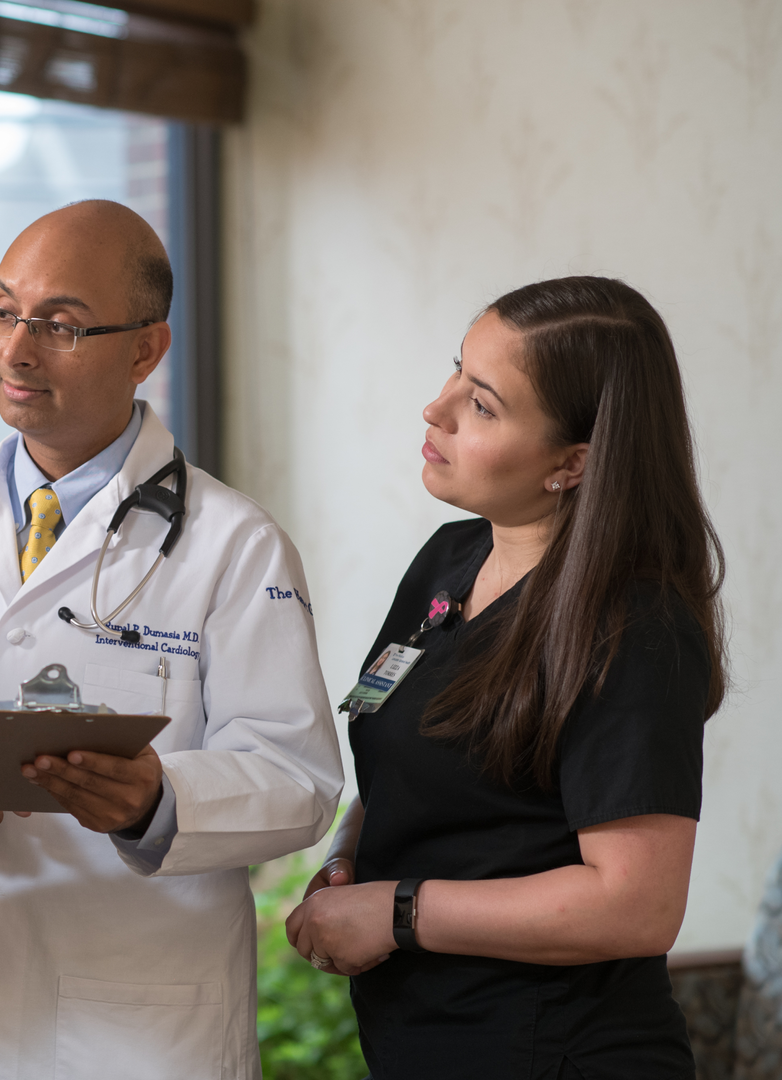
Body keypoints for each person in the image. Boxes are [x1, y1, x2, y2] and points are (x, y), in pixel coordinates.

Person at [0, 200, 345, 1078]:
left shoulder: (235, 544)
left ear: (146, 349)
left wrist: (154, 800)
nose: (16, 348)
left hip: (139, 1035)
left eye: (62, 326)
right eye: (2, 311)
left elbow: (297, 780)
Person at [286, 276, 724, 1078]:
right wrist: (351, 857)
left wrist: (396, 910)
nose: (437, 407)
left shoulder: (634, 625)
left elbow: (637, 906)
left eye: (482, 405)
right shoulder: (451, 559)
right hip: (422, 1042)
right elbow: (423, 769)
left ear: (574, 462)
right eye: (457, 370)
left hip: (557, 1053)